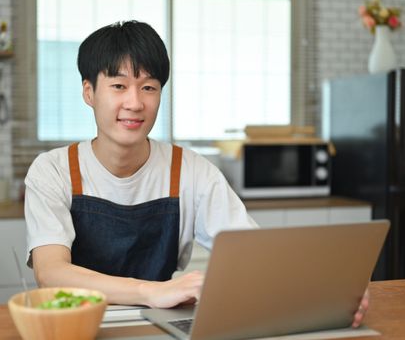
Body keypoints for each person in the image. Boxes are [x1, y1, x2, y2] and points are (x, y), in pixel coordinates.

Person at [24, 20, 368, 326]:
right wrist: (153, 291)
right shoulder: (53, 170)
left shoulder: (190, 170)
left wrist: (324, 294)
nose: (135, 102)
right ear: (89, 92)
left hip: (156, 323)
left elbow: (253, 254)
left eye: (149, 87)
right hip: (75, 327)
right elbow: (51, 272)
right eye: (118, 86)